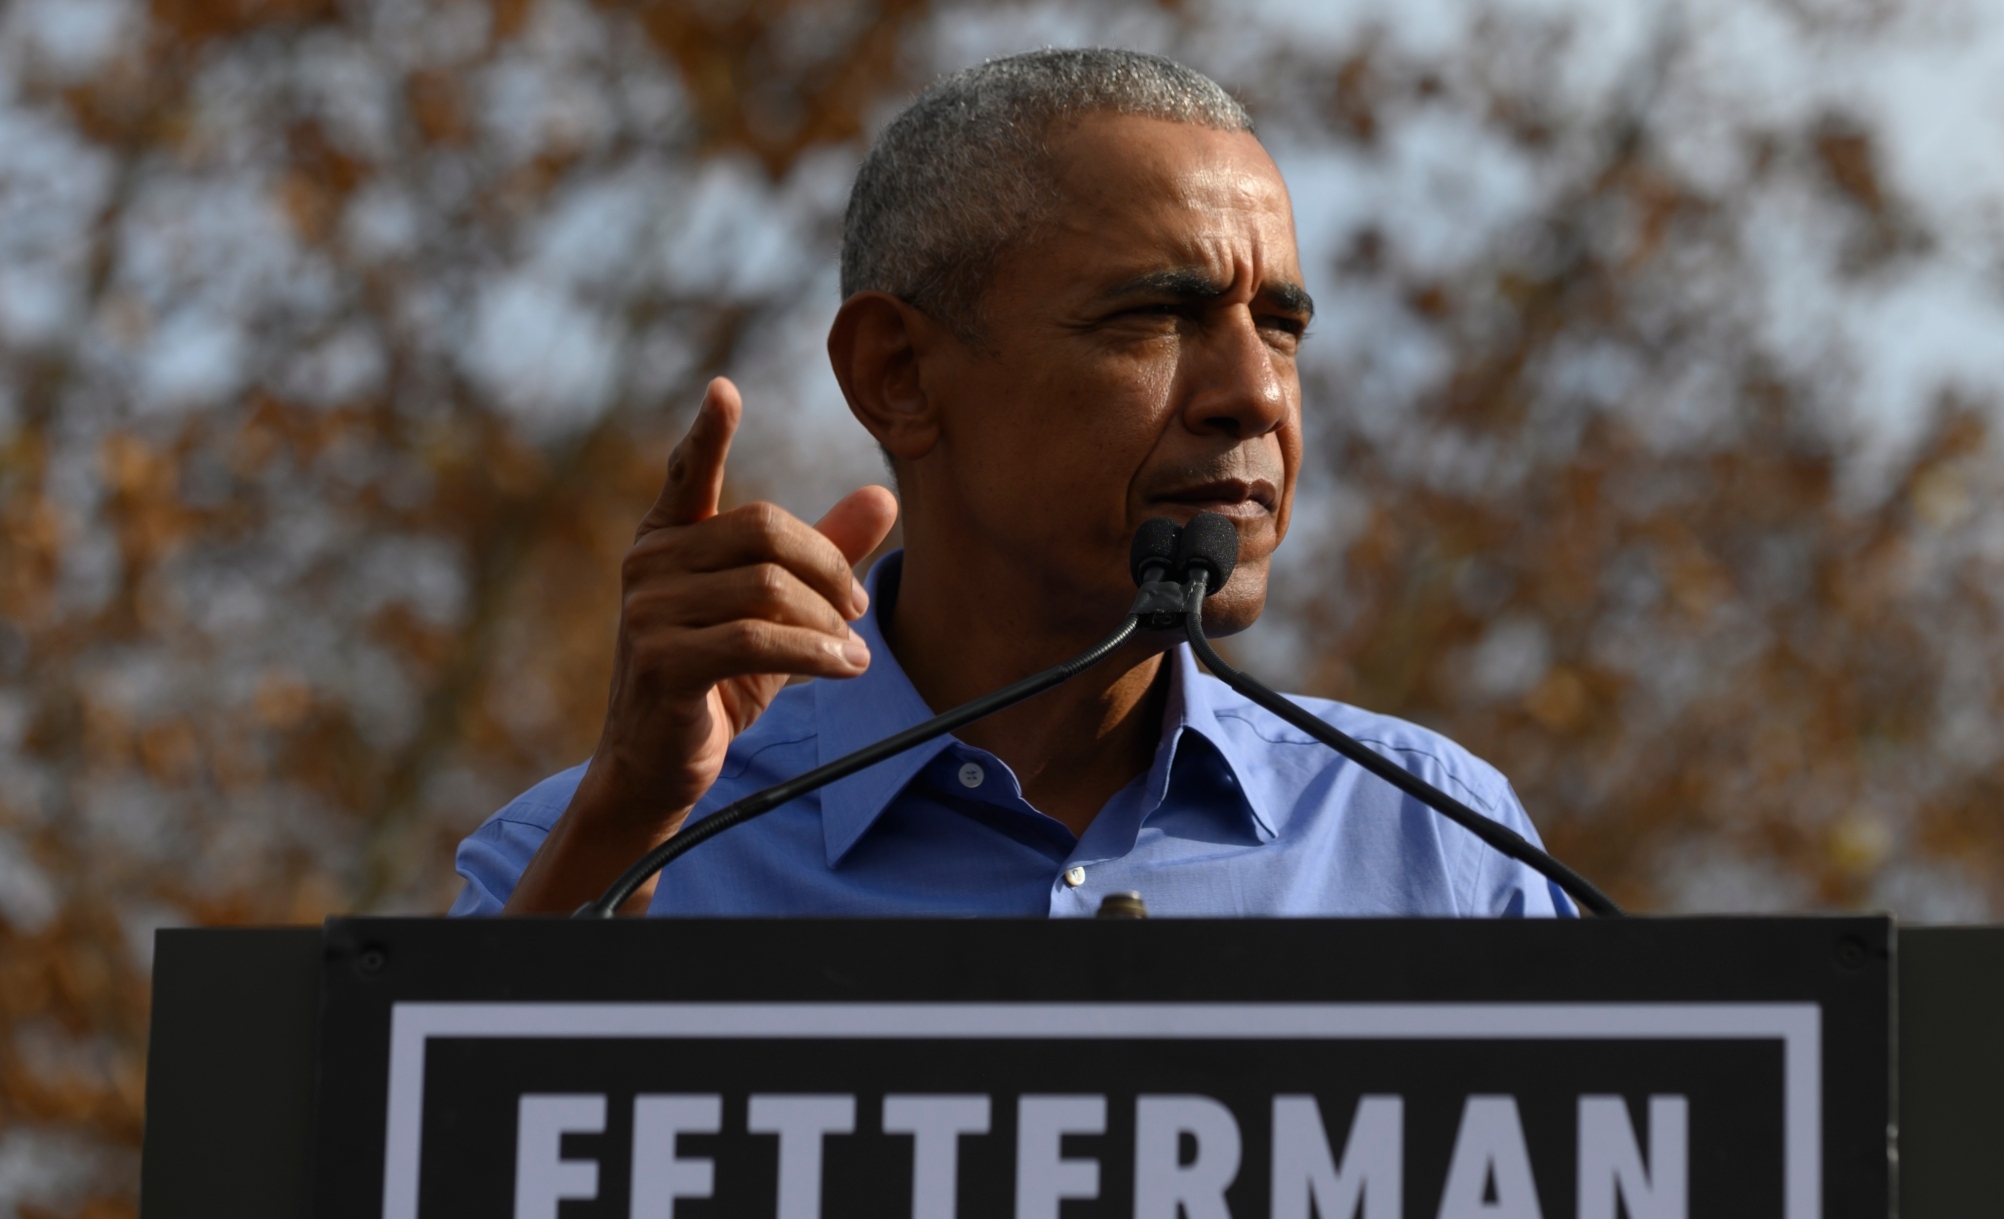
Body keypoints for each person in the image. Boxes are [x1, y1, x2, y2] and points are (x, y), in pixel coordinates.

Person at [448, 48, 1577, 919]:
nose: (1257, 397)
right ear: (898, 375)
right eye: (1157, 317)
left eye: (1279, 328)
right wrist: (628, 819)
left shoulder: (1434, 843)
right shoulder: (591, 852)